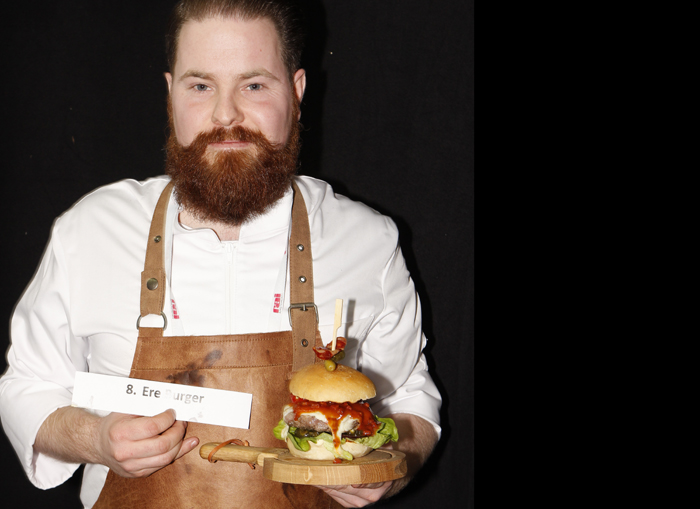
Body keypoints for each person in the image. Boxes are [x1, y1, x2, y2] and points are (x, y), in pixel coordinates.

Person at [0, 1, 441, 507]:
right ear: (170, 94)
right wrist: (96, 440)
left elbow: (411, 401)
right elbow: (28, 386)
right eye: (200, 86)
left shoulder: (366, 240)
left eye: (253, 85)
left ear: (296, 92)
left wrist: (389, 465)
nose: (225, 114)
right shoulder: (93, 229)